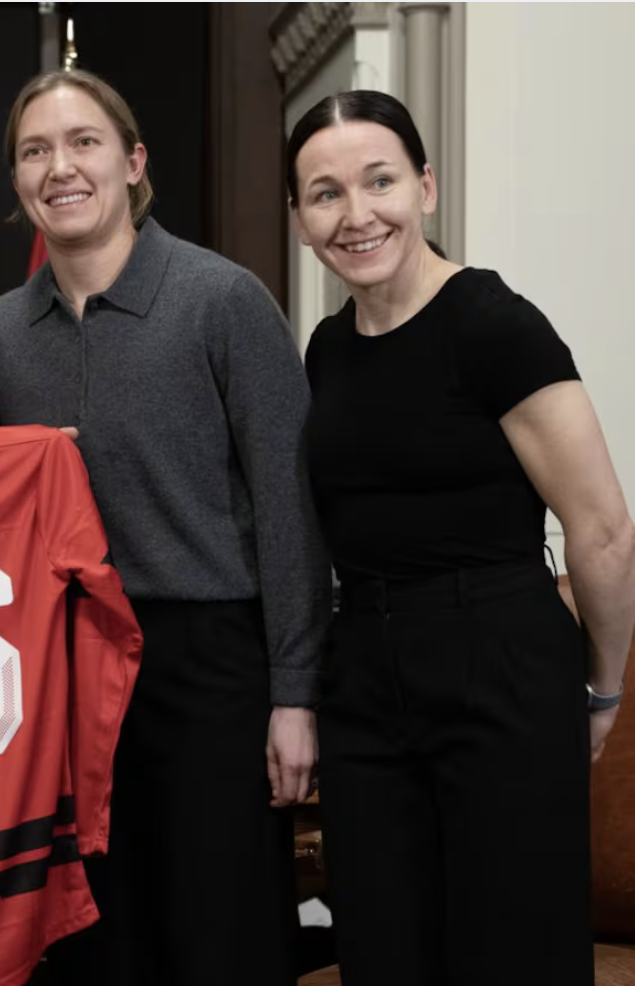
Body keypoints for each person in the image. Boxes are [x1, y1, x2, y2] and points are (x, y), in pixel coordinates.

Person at [0, 69, 330, 985]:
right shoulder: (0, 334)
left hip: (211, 666)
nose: (61, 166)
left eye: (84, 142)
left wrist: (296, 694)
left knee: (222, 934)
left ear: (133, 162)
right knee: (99, 938)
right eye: (35, 150)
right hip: (63, 673)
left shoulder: (225, 301)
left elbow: (294, 510)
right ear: (18, 183)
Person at [289, 89, 635, 985]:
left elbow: (600, 530)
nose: (356, 214)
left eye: (380, 182)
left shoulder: (493, 324)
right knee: (383, 945)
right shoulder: (325, 349)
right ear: (299, 219)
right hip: (365, 676)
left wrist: (602, 688)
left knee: (512, 949)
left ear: (426, 188)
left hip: (502, 661)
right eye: (325, 194)